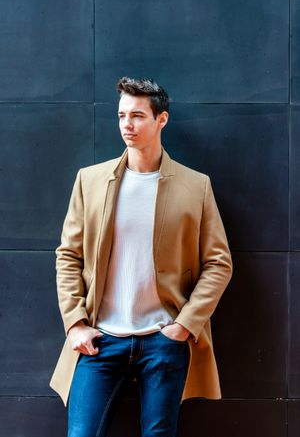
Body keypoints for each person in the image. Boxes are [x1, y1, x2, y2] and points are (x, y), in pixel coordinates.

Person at [50, 77, 232, 437]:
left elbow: (218, 262)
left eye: (137, 115)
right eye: (121, 115)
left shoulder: (196, 186)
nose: (126, 125)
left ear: (161, 119)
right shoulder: (90, 180)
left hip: (163, 339)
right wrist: (75, 323)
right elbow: (68, 255)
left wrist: (183, 326)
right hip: (100, 340)